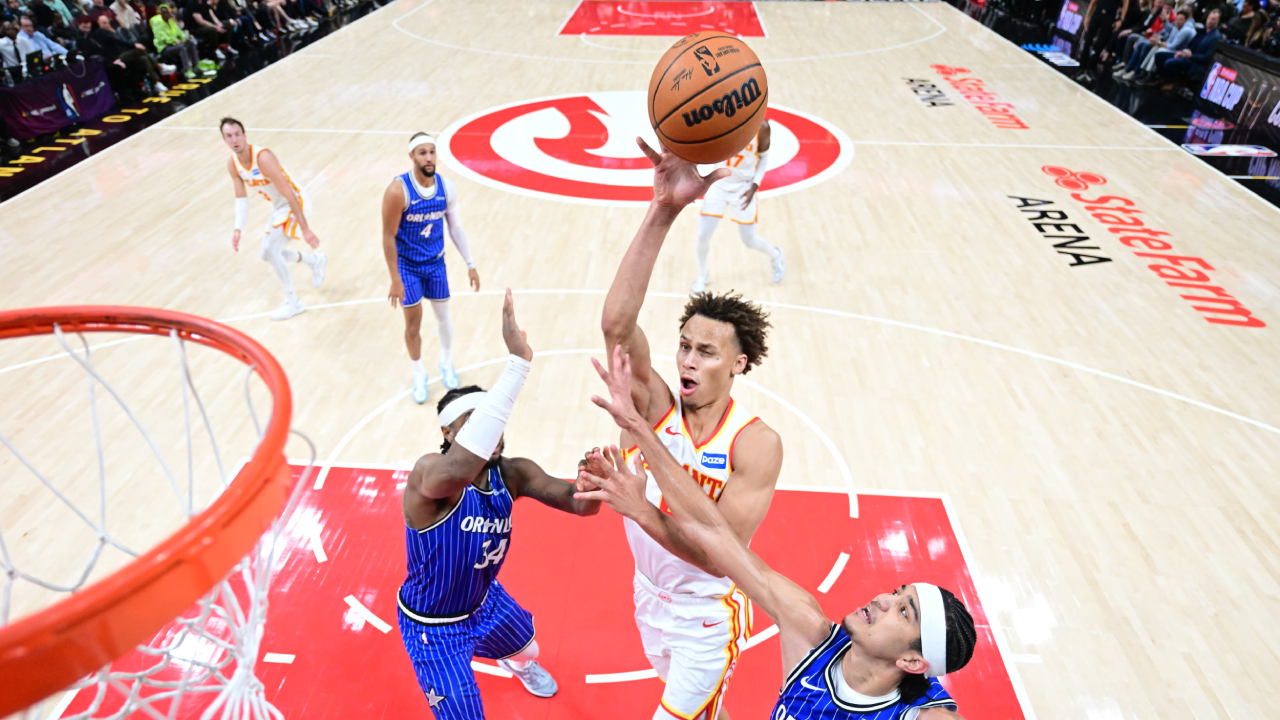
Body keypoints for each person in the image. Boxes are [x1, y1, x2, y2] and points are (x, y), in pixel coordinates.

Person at [580, 348, 980, 720]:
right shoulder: (810, 634)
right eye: (897, 594)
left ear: (913, 664)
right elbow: (713, 533)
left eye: (903, 611)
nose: (882, 600)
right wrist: (638, 428)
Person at [598, 138, 784, 720]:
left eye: (705, 352)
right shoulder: (655, 407)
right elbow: (616, 324)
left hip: (704, 613)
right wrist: (663, 209)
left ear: (738, 363)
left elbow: (718, 557)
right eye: (683, 347)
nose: (687, 361)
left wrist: (638, 507)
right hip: (647, 601)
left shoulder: (756, 443)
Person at [397, 289, 601, 719]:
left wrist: (592, 486)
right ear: (449, 434)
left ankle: (517, 665)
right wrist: (518, 363)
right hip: (434, 627)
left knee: (529, 647)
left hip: (484, 601)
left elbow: (580, 507)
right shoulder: (431, 476)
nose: (485, 431)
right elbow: (460, 468)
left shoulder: (513, 473)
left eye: (486, 417)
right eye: (466, 424)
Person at [382, 132, 479, 402]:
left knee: (443, 317)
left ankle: (446, 363)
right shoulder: (397, 190)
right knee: (413, 325)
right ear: (412, 156)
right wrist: (394, 278)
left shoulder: (446, 188)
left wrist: (470, 264)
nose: (428, 157)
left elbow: (455, 227)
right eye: (422, 152)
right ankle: (419, 373)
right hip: (407, 266)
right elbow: (387, 236)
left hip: (436, 264)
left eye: (432, 152)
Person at [222, 117, 327, 321]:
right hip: (279, 207)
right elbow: (241, 200)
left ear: (244, 135)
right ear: (224, 139)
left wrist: (305, 229)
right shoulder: (233, 164)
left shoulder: (263, 157)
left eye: (237, 134)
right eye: (229, 136)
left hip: (295, 202)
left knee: (272, 250)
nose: (234, 139)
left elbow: (289, 193)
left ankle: (294, 302)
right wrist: (237, 229)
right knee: (266, 254)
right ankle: (314, 261)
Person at [692, 120, 785, 294]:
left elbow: (764, 158)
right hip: (718, 185)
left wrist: (755, 185)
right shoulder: (718, 121)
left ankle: (776, 255)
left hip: (744, 187)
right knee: (703, 235)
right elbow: (700, 150)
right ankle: (702, 274)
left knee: (749, 240)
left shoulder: (762, 127)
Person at [79, 13, 165, 95]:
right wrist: (133, 45)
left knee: (143, 59)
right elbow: (115, 44)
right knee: (139, 50)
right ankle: (159, 66)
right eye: (104, 23)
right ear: (98, 23)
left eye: (107, 22)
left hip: (119, 55)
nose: (106, 24)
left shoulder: (106, 32)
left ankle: (156, 83)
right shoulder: (99, 33)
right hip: (115, 58)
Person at [1155, 8, 1221, 86]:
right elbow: (1190, 45)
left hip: (1196, 62)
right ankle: (1162, 79)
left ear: (1217, 21)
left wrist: (1191, 56)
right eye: (1209, 18)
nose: (1210, 21)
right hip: (1187, 55)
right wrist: (1182, 52)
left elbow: (1207, 57)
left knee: (1169, 62)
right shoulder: (1201, 31)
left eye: (1213, 19)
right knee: (1159, 55)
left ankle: (1173, 83)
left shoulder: (1216, 37)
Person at [149, 2, 199, 77]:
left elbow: (179, 32)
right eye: (163, 13)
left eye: (167, 13)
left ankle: (196, 65)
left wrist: (186, 37)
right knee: (181, 47)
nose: (165, 14)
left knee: (191, 43)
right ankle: (187, 70)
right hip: (164, 48)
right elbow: (161, 38)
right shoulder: (157, 23)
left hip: (174, 45)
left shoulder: (170, 21)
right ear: (160, 13)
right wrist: (174, 40)